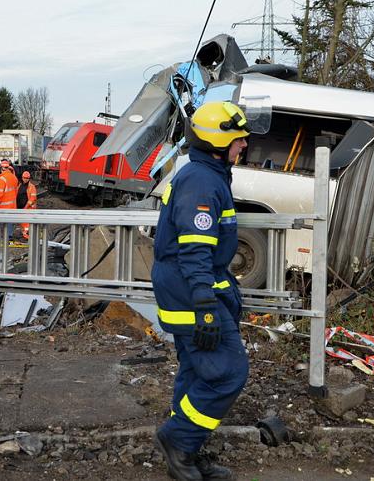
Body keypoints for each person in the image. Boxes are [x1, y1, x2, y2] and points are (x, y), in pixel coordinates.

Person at [151, 101, 251, 481]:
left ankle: (186, 452)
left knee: (196, 370)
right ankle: (179, 440)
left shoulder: (209, 173)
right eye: (239, 139)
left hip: (187, 285)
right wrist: (206, 303)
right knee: (228, 371)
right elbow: (194, 251)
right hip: (190, 288)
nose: (244, 145)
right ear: (218, 140)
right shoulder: (202, 181)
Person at [0, 159, 18, 238]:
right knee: (9, 221)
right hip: (12, 205)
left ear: (1, 168)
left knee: (0, 222)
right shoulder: (14, 178)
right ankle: (9, 236)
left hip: (2, 205)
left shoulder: (2, 179)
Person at [16, 170, 37, 239]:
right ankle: (24, 234)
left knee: (26, 224)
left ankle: (27, 236)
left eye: (27, 178)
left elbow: (33, 198)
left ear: (29, 178)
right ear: (22, 178)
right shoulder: (20, 185)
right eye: (24, 178)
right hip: (20, 207)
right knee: (22, 222)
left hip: (28, 208)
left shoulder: (32, 187)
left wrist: (26, 206)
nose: (25, 179)